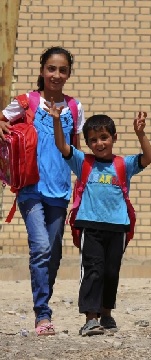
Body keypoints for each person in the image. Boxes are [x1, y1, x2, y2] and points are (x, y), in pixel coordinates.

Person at [0, 46, 85, 336]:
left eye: (62, 70)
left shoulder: (75, 107)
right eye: (51, 68)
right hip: (30, 188)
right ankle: (42, 314)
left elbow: (75, 149)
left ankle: (43, 300)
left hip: (60, 191)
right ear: (42, 71)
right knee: (41, 248)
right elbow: (2, 119)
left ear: (69, 74)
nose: (56, 74)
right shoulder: (26, 102)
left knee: (54, 252)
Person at [48, 107, 151, 336]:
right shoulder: (82, 162)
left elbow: (148, 158)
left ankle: (106, 314)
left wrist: (140, 134)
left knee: (111, 272)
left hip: (118, 227)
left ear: (114, 138)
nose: (99, 143)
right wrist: (57, 121)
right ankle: (90, 318)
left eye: (104, 137)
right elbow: (62, 146)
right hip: (90, 225)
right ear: (87, 143)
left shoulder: (123, 164)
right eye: (93, 140)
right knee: (93, 270)